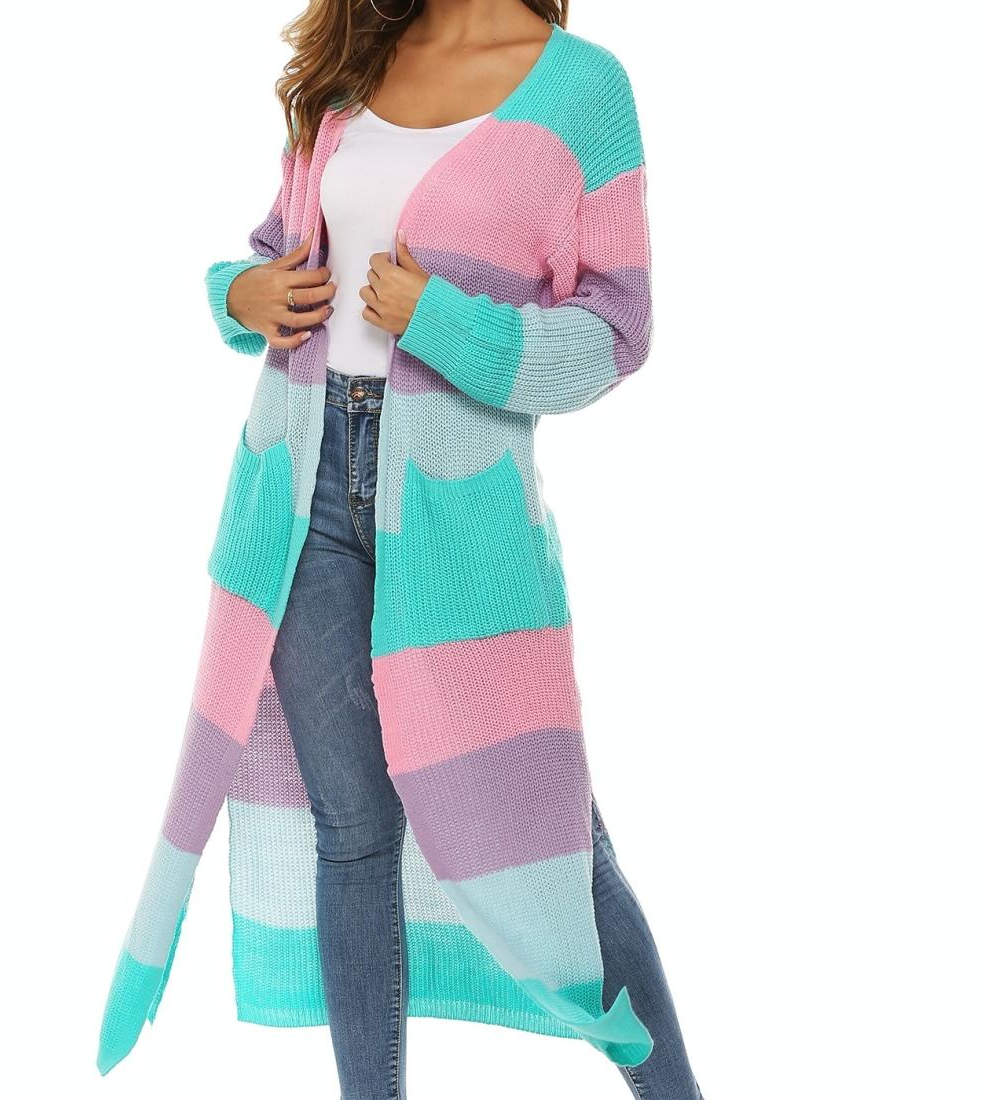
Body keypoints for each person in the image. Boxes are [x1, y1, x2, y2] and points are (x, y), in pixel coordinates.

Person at [219, 4, 704, 1099]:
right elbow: (273, 256)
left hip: (463, 519)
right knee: (351, 833)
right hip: (298, 488)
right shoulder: (356, 54)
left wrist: (443, 320)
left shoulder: (583, 89)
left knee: (554, 839)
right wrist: (239, 295)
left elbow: (616, 331)